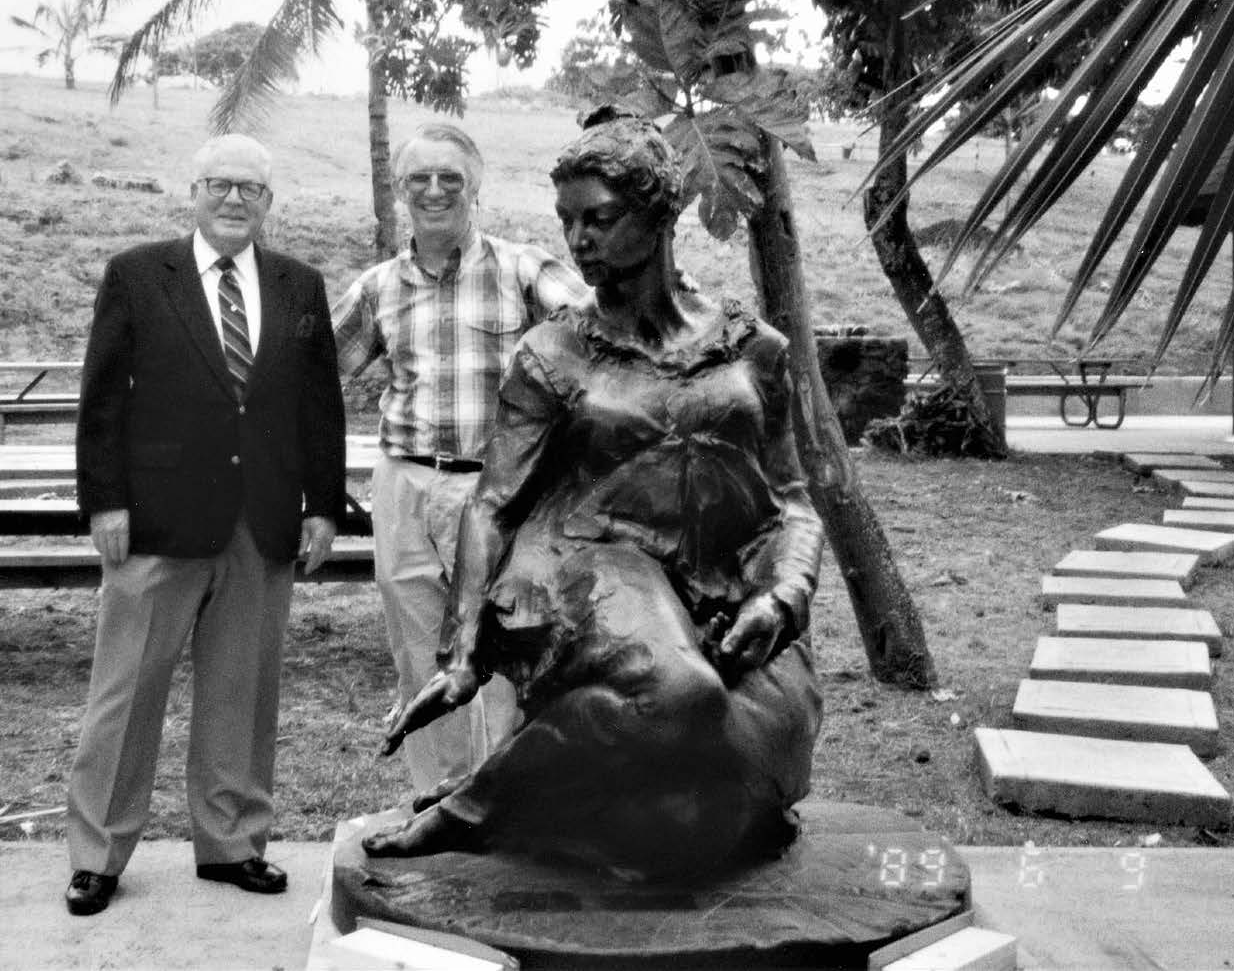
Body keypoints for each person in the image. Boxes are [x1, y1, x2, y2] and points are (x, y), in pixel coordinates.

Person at [362, 109, 825, 879]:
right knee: (679, 695)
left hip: (725, 583)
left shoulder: (755, 348)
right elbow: (493, 504)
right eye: (567, 223)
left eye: (599, 220)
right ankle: (471, 809)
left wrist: (782, 596)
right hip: (588, 562)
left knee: (736, 792)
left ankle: (539, 803)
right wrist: (465, 650)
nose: (578, 242)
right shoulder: (552, 353)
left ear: (660, 214)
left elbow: (793, 498)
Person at [64, 134, 346, 916]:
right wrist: (105, 501)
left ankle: (230, 843)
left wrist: (322, 506)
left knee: (241, 692)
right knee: (123, 695)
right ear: (193, 191)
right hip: (153, 522)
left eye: (249, 188)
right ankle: (98, 854)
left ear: (268, 203)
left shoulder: (300, 285)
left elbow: (319, 407)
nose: (233, 199)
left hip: (260, 522)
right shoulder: (137, 274)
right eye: (219, 184)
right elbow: (103, 399)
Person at [332, 122, 590, 799]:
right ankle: (436, 800)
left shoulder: (524, 270)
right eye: (419, 178)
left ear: (475, 187)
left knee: (503, 645)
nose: (435, 190)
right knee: (419, 651)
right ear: (399, 191)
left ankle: (503, 798)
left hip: (500, 490)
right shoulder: (377, 288)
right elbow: (315, 375)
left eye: (451, 177)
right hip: (405, 482)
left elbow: (598, 343)